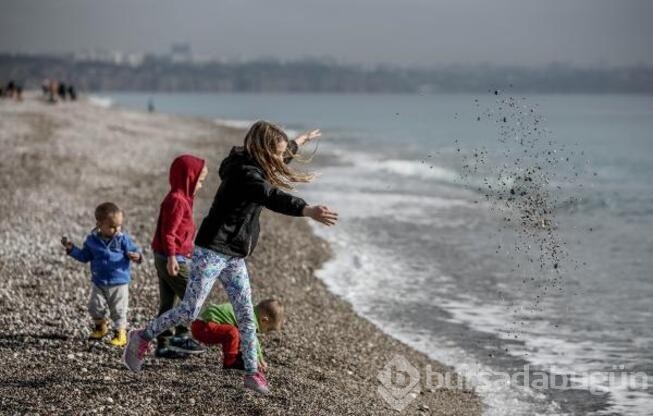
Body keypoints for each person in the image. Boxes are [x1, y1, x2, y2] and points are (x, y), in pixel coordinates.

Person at [123, 121, 337, 395]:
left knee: (247, 316)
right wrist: (306, 210)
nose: (279, 159)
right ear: (262, 150)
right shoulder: (245, 174)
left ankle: (252, 373)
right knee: (189, 309)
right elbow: (270, 195)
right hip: (212, 250)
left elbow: (279, 158)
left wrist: (300, 141)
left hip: (235, 255)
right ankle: (140, 337)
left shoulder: (256, 164)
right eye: (277, 153)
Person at [151, 155, 208, 359]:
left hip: (167, 255)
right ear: (188, 178)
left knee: (168, 303)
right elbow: (169, 233)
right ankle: (181, 336)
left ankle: (163, 346)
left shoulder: (182, 198)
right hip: (171, 258)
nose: (201, 185)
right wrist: (173, 257)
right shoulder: (177, 200)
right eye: (199, 181)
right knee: (192, 296)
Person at [62, 202, 142, 346]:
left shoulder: (122, 239)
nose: (117, 229)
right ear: (99, 224)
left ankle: (120, 334)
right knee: (94, 306)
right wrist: (72, 249)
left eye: (119, 226)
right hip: (99, 281)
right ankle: (100, 327)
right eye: (112, 226)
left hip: (119, 282)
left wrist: (137, 256)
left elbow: (135, 251)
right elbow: (84, 256)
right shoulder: (92, 241)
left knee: (118, 309)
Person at [190, 298, 284, 371]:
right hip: (202, 327)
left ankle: (237, 357)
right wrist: (256, 360)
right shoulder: (250, 320)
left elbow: (254, 340)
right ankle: (230, 362)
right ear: (264, 320)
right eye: (269, 329)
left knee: (239, 333)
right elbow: (252, 341)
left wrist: (261, 359)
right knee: (233, 332)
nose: (266, 332)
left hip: (201, 324)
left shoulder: (248, 310)